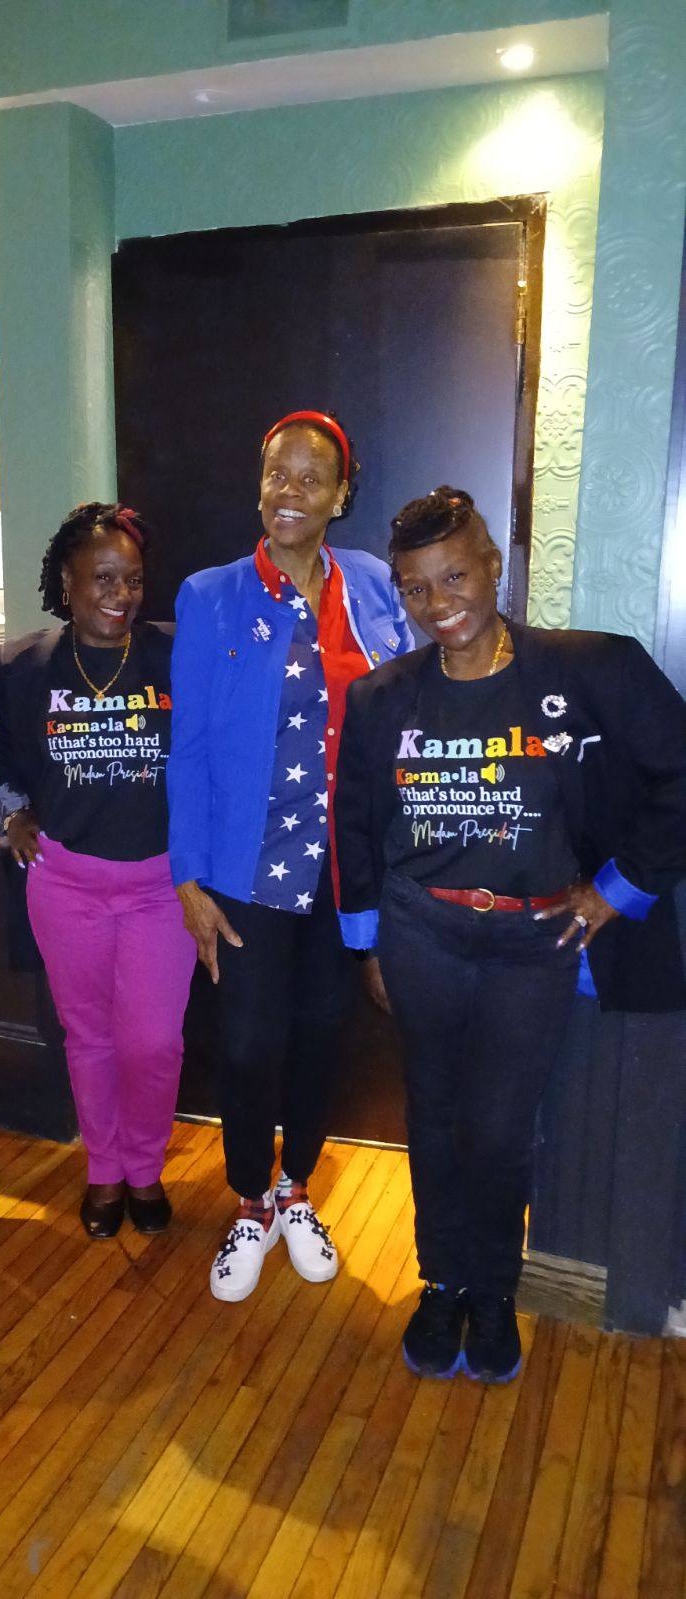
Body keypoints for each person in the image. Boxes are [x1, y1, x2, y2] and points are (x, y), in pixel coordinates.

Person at [335, 485, 686, 1382]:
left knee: (498, 1127)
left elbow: (677, 774)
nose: (438, 601)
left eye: (455, 575)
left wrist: (618, 889)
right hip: (422, 933)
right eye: (416, 587)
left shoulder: (591, 669)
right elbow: (358, 822)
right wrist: (368, 940)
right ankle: (441, 1281)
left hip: (535, 944)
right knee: (432, 1112)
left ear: (493, 566)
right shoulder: (381, 697)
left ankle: (492, 1288)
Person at [168, 410, 414, 1302]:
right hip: (249, 867)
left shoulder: (376, 584)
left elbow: (414, 704)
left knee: (320, 1034)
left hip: (346, 868)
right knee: (247, 1044)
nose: (291, 492)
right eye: (278, 473)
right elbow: (189, 748)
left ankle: (296, 1187)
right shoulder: (211, 595)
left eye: (313, 478)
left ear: (341, 495)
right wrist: (187, 876)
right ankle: (248, 1199)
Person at [0, 502, 196, 1240]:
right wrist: (12, 814)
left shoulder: (176, 654)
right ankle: (106, 1168)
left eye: (132, 579)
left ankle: (146, 1162)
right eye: (102, 578)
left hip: (160, 887)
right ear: (67, 584)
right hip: (66, 882)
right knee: (88, 1036)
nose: (121, 593)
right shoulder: (21, 666)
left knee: (153, 1042)